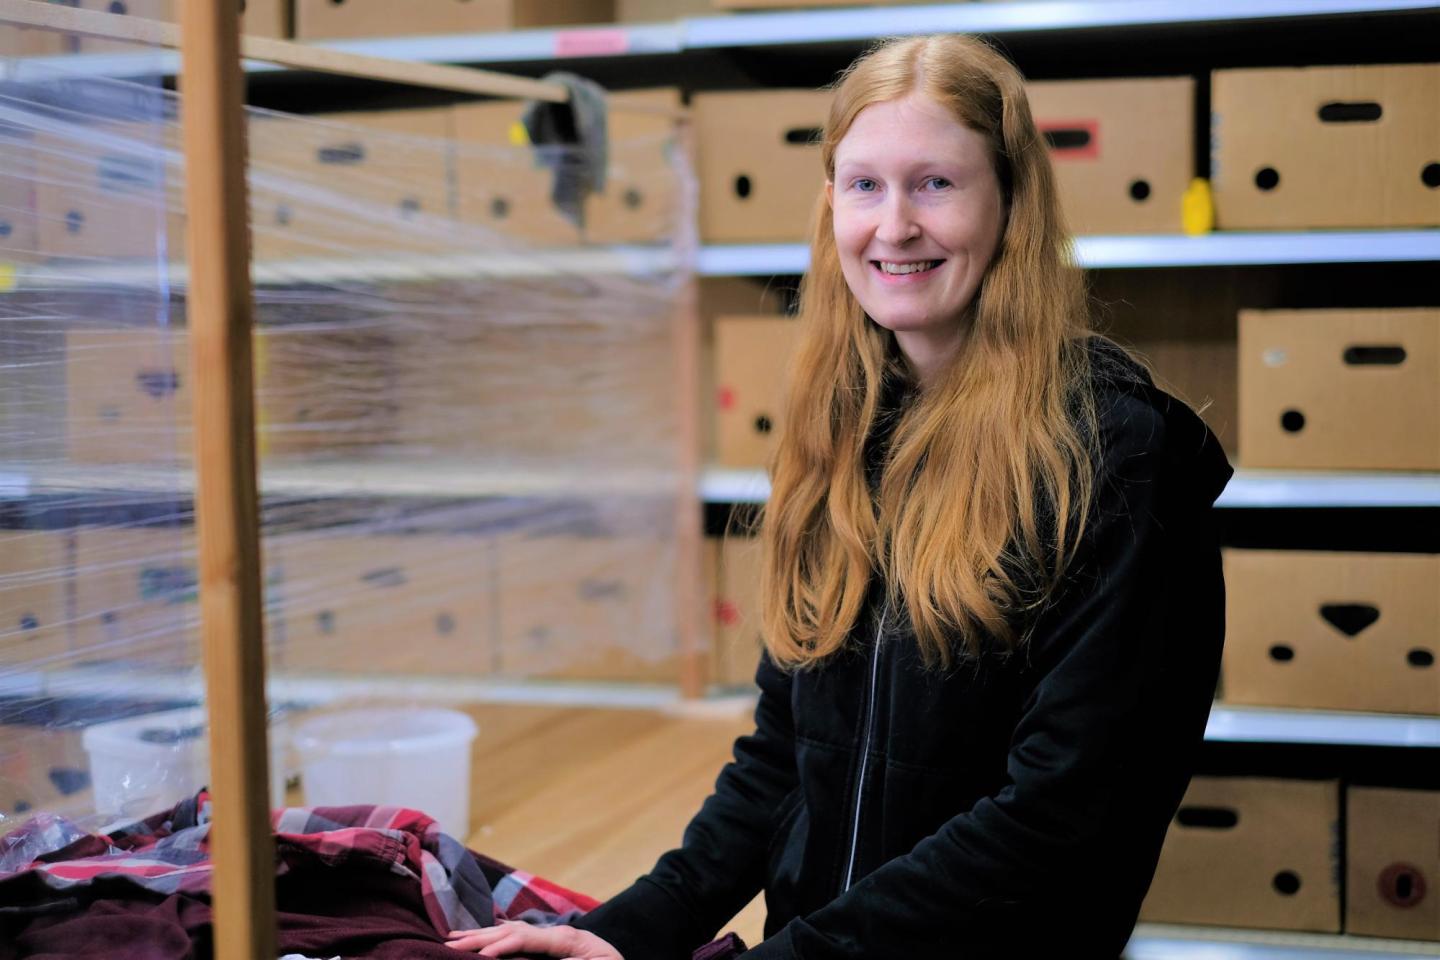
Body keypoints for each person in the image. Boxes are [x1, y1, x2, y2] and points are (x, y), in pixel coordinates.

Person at [447, 33, 1232, 960]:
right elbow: (786, 756)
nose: (894, 226)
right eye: (864, 186)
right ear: (830, 208)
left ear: (1012, 203)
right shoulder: (842, 433)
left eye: (936, 184)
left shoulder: (1114, 456)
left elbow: (1058, 820)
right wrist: (631, 933)